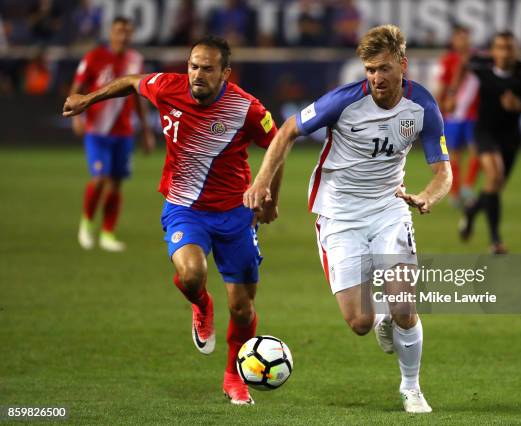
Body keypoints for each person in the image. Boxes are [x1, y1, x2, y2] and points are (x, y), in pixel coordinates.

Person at [63, 35, 282, 405]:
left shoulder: (246, 108)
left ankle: (234, 377)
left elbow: (277, 146)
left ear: (225, 73)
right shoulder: (168, 87)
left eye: (207, 68)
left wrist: (270, 199)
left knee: (243, 308)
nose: (197, 74)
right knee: (191, 274)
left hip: (236, 214)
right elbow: (132, 82)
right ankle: (201, 304)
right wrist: (88, 98)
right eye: (193, 65)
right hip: (185, 207)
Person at [244, 25, 451, 413]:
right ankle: (379, 319)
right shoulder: (343, 101)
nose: (376, 77)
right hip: (339, 213)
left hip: (390, 208)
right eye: (370, 69)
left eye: (384, 68)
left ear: (402, 65)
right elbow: (287, 130)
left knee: (405, 304)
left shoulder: (422, 106)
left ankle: (411, 388)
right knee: (358, 321)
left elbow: (444, 172)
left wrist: (426, 197)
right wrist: (262, 182)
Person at [459, 31, 521, 254]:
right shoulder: (481, 65)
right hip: (484, 132)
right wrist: (451, 92)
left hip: (510, 138)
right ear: (493, 51)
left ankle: (472, 212)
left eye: (509, 48)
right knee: (494, 177)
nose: (504, 53)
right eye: (500, 48)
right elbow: (463, 65)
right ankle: (495, 241)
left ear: (516, 51)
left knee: (494, 187)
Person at [71, 16, 155, 252]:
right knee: (99, 180)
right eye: (119, 31)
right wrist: (78, 117)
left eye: (127, 32)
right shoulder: (93, 57)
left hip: (124, 132)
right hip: (97, 130)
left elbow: (140, 97)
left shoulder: (135, 60)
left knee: (116, 184)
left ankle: (108, 233)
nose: (123, 36)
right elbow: (76, 89)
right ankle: (86, 224)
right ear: (111, 33)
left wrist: (146, 132)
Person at [436, 25, 480, 208]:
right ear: (453, 41)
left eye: (465, 37)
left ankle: (467, 188)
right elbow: (441, 87)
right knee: (454, 155)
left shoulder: (479, 59)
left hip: (474, 114)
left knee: (478, 151)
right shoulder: (448, 61)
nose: (463, 41)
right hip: (453, 116)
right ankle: (455, 194)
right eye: (459, 37)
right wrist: (438, 110)